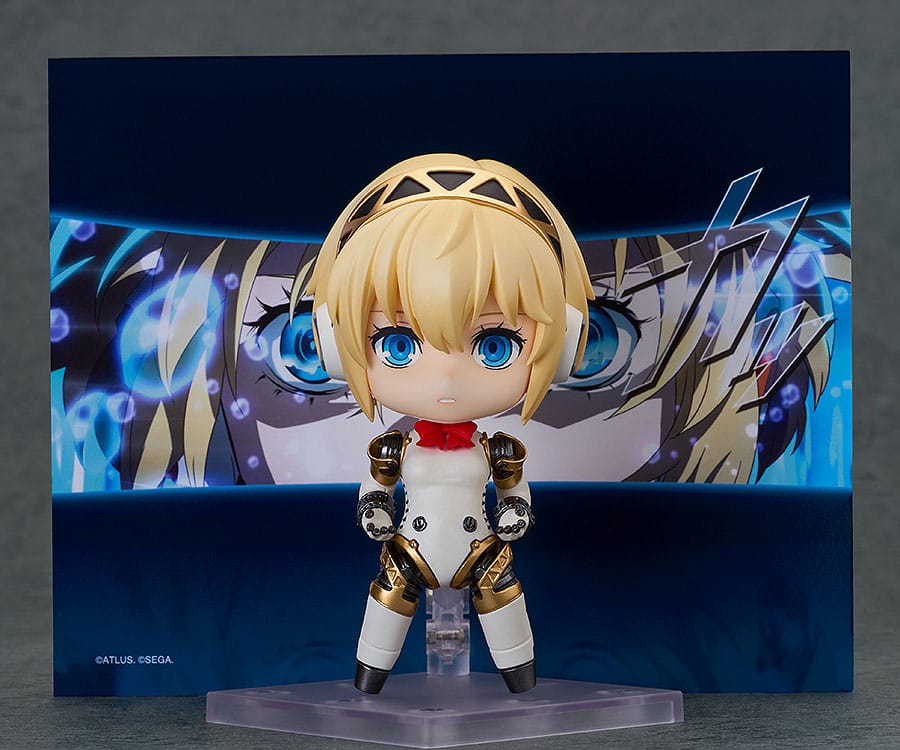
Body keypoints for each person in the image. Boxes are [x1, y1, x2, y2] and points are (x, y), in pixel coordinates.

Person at [301, 153, 595, 693]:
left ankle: (521, 682)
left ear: (566, 340)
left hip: (480, 549)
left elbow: (515, 492)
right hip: (408, 548)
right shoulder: (394, 448)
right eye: (398, 344)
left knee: (505, 603)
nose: (446, 378)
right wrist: (373, 509)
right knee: (385, 605)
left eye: (494, 345)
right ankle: (368, 682)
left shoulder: (497, 449)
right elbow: (375, 488)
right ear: (334, 344)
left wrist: (515, 512)